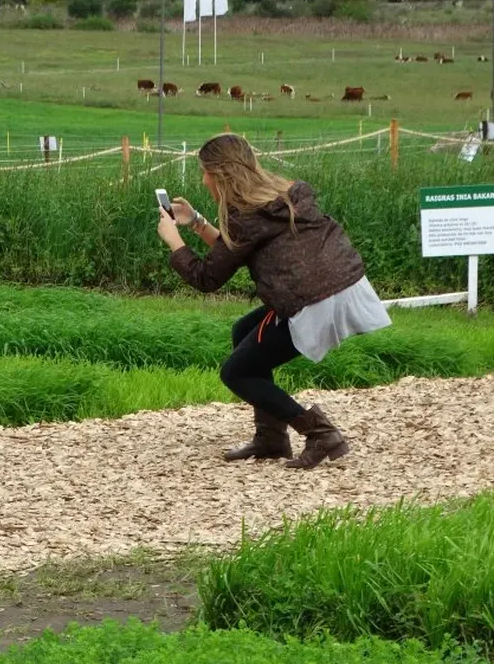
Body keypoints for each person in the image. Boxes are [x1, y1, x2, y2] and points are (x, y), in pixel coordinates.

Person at [155, 133, 392, 469]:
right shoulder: (282, 196)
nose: (203, 180)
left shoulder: (246, 215)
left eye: (205, 172)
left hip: (314, 301)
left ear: (221, 174)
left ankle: (320, 433)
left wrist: (174, 242)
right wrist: (195, 222)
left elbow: (206, 278)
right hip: (340, 289)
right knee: (243, 331)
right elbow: (234, 249)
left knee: (236, 372)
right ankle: (271, 438)